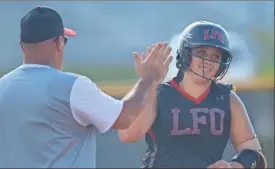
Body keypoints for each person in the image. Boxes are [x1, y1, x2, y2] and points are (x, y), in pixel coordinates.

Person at [0, 6, 173, 168]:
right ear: (59, 42)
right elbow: (124, 118)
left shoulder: (3, 87)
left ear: (22, 45)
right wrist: (148, 79)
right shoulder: (72, 87)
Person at [118, 21, 267, 168]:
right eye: (201, 53)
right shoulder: (159, 95)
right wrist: (150, 83)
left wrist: (234, 166)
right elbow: (128, 135)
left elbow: (252, 150)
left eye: (215, 57)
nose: (208, 61)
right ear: (185, 54)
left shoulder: (227, 99)